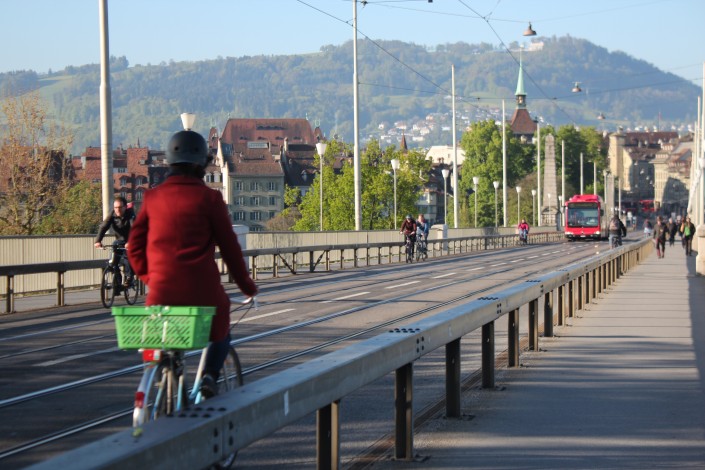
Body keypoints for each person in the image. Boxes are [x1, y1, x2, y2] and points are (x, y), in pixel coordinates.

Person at [128, 129, 258, 399]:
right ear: (202, 163)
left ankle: (164, 379)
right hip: (202, 293)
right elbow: (230, 249)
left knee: (161, 341)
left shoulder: (152, 198)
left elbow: (135, 247)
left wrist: (151, 278)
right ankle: (209, 375)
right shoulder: (210, 199)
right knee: (221, 325)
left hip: (161, 292)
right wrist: (247, 286)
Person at [94, 196, 135, 286]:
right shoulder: (112, 215)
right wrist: (98, 241)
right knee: (113, 258)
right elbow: (103, 227)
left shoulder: (130, 214)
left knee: (127, 257)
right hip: (119, 240)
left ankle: (129, 277)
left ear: (125, 207)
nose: (117, 210)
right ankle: (117, 280)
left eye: (120, 207)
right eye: (115, 207)